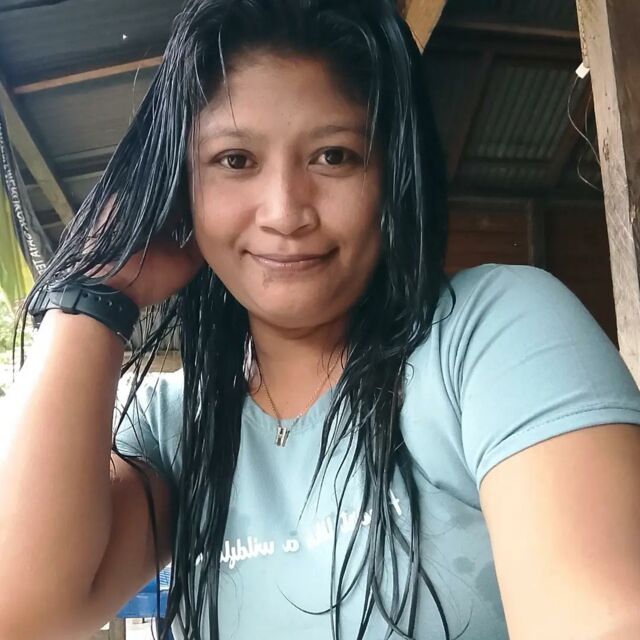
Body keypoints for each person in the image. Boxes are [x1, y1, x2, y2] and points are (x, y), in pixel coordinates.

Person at [2, 1, 640, 639]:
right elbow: (23, 611)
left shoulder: (491, 337)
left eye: (334, 156)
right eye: (235, 160)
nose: (285, 212)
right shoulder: (177, 425)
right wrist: (93, 293)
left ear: (393, 174)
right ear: (180, 187)